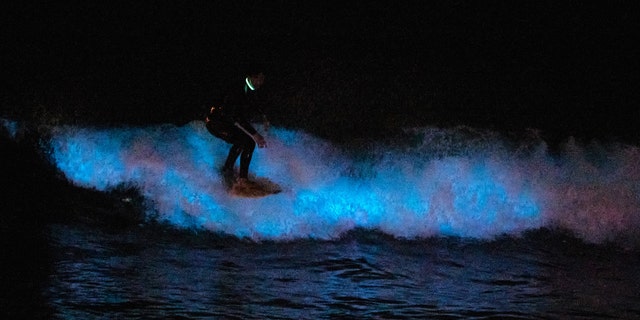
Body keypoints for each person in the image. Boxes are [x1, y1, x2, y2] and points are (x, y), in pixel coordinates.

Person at [205, 66, 269, 186]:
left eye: (263, 79)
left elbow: (253, 105)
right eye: (259, 79)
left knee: (244, 142)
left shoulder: (248, 89)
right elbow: (236, 116)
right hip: (216, 123)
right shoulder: (237, 89)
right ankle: (241, 179)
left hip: (224, 122)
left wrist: (263, 117)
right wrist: (256, 135)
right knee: (247, 142)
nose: (261, 82)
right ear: (251, 77)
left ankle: (228, 171)